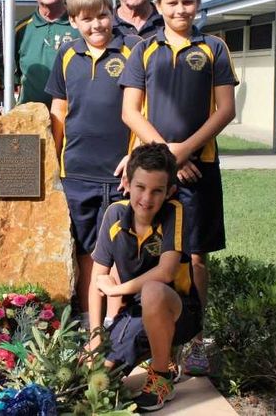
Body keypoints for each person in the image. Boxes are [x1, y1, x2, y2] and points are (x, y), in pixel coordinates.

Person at [119, 0, 238, 376]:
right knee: (151, 254)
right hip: (155, 172)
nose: (180, 9)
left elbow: (226, 109)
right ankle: (148, 337)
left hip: (199, 169)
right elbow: (130, 111)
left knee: (196, 256)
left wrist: (185, 152)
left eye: (188, 1)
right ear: (158, 5)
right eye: (172, 2)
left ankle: (198, 339)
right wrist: (169, 158)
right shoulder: (143, 50)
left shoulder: (214, 48)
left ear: (198, 4)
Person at [45, 0, 141, 324]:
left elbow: (144, 109)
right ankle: (91, 320)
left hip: (120, 173)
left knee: (120, 249)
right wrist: (52, 163)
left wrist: (136, 159)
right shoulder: (67, 55)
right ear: (73, 21)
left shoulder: (133, 50)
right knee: (86, 249)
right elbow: (59, 111)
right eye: (86, 19)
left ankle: (119, 322)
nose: (96, 25)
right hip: (77, 173)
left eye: (102, 16)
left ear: (112, 14)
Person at [88, 143, 201, 412]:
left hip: (180, 312)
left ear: (169, 192)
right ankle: (160, 355)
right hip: (134, 314)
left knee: (152, 290)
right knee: (94, 379)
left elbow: (166, 272)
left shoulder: (174, 212)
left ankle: (161, 377)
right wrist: (95, 336)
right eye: (140, 187)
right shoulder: (114, 215)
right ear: (127, 183)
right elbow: (96, 281)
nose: (147, 198)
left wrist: (116, 290)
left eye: (157, 190)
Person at [14, 0, 79, 107]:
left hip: (71, 117)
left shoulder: (80, 26)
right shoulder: (20, 30)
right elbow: (13, 81)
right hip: (31, 118)